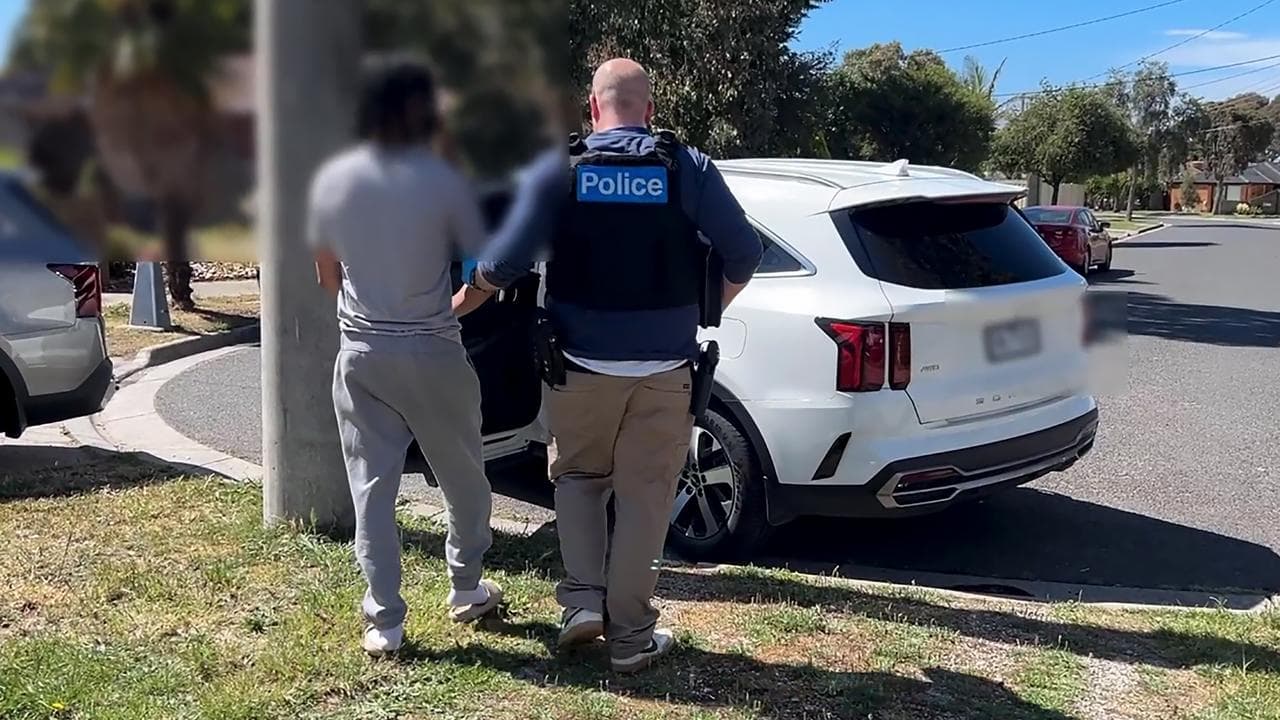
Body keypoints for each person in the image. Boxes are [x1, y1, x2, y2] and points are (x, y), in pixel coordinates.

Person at [467, 58, 763, 673]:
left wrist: (457, 304)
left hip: (578, 365)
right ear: (650, 111)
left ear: (592, 108)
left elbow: (505, 261)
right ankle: (630, 638)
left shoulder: (563, 170)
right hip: (664, 369)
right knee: (646, 500)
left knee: (577, 478)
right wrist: (703, 310)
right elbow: (745, 251)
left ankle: (580, 605)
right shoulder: (686, 167)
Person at [307, 56, 502, 657]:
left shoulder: (332, 182)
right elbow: (487, 270)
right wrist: (454, 305)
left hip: (363, 355)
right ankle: (466, 587)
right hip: (435, 350)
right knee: (464, 480)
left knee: (372, 492)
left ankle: (384, 623)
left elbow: (326, 276)